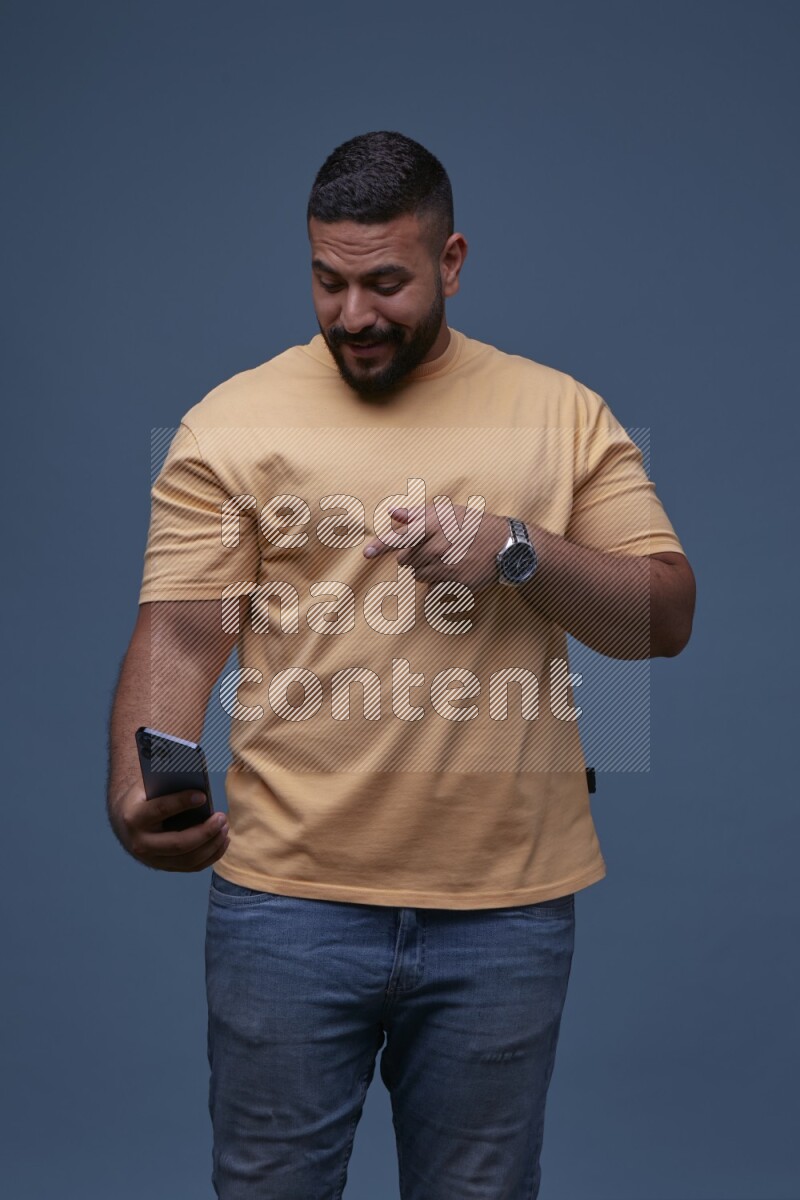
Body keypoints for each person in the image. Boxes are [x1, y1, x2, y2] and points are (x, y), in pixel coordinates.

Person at [107, 130, 696, 1200]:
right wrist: (138, 776)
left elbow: (660, 616)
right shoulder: (231, 423)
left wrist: (512, 549)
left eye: (385, 282)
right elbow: (184, 631)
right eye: (327, 281)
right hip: (284, 906)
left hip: (506, 914)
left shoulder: (559, 413)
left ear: (451, 261)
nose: (352, 315)